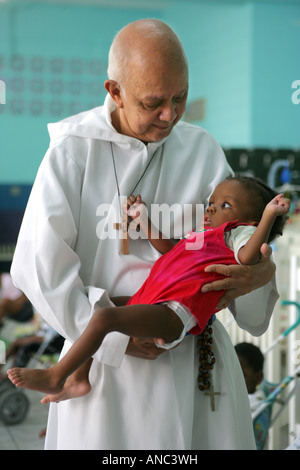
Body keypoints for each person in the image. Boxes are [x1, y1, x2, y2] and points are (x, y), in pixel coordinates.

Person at [10, 19, 279, 450]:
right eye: (154, 102)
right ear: (114, 91)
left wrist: (260, 272)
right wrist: (117, 339)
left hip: (195, 363)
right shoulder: (72, 152)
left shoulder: (203, 151)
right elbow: (41, 267)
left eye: (181, 97)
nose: (170, 114)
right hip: (102, 368)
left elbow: (240, 244)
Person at [7, 176, 290, 400]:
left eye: (225, 205)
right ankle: (80, 380)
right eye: (212, 202)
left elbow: (249, 255)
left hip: (176, 312)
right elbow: (169, 249)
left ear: (249, 223)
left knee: (105, 318)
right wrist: (143, 218)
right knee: (102, 305)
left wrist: (268, 216)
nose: (212, 207)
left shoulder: (237, 236)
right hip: (158, 300)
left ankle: (57, 375)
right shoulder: (204, 237)